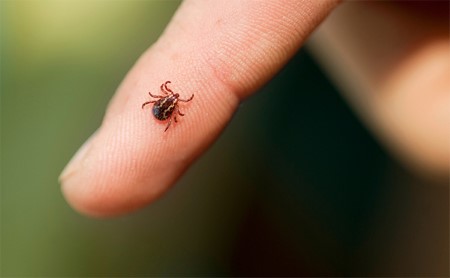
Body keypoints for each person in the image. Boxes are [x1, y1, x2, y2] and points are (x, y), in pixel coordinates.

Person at [59, 0, 449, 217]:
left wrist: (163, 112)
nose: (169, 102)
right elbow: (167, 105)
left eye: (168, 101)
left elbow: (163, 104)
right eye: (168, 101)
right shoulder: (170, 102)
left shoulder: (166, 101)